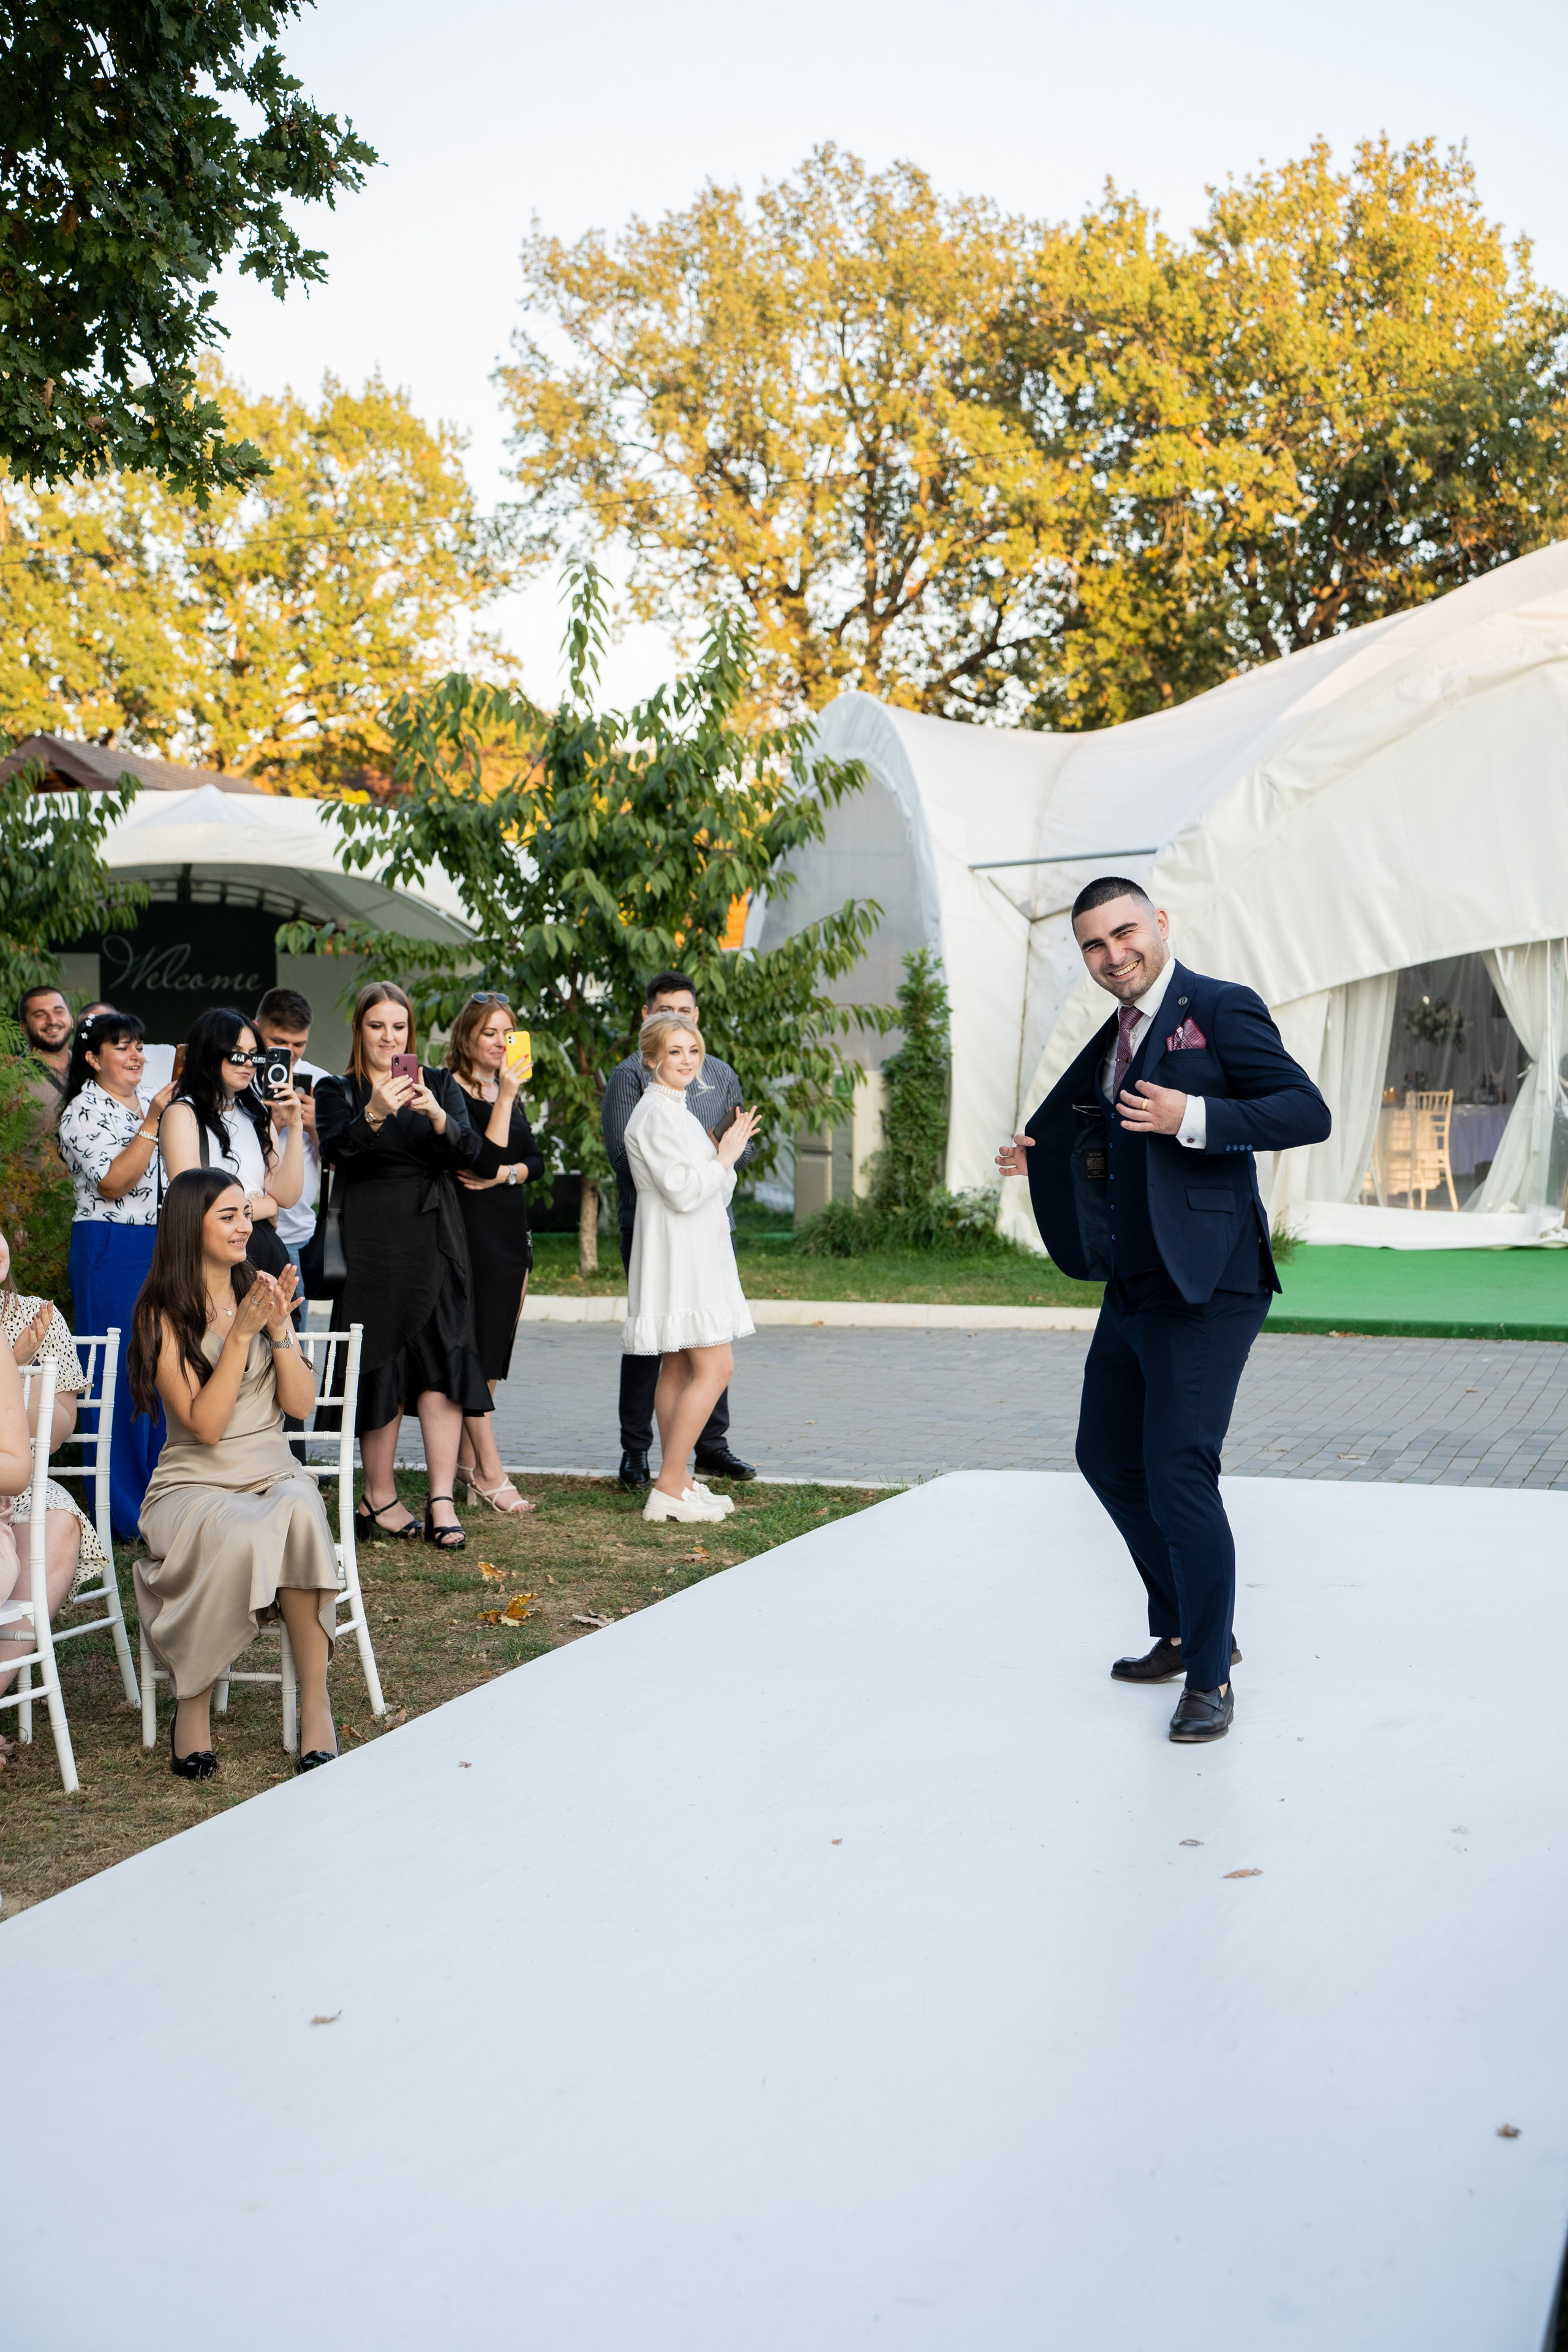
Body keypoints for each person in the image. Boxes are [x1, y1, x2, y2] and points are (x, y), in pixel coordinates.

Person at [997, 878, 1331, 1746]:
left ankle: (1211, 1676)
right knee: (1105, 1454)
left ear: (1161, 926)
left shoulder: (1219, 1008)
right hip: (1134, 1281)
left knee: (1179, 1470)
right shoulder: (1116, 1036)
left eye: (1126, 933)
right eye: (1094, 946)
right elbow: (1085, 1123)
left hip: (1211, 1282)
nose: (1114, 955)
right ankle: (1184, 1625)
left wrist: (1195, 1115)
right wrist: (1041, 1161)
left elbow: (1306, 1111)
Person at [129, 1169, 339, 1778]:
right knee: (242, 1528)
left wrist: (276, 1331)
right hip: (193, 1486)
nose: (244, 1225)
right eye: (227, 1215)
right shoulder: (162, 1314)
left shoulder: (261, 1289)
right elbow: (206, 1426)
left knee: (299, 1509)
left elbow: (300, 1405)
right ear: (189, 1227)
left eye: (244, 1213)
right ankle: (191, 1701)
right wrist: (241, 1334)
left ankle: (316, 1705)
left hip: (272, 1472)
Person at [315, 982, 489, 1552]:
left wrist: (440, 1117)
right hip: (372, 1243)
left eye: (398, 1027)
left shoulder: (438, 1083)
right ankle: (380, 1497)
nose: (389, 1038)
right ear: (359, 1031)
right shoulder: (336, 1090)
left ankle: (441, 1498)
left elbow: (470, 1155)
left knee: (442, 1360)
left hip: (436, 1238)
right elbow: (339, 1154)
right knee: (380, 1362)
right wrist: (375, 1112)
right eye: (376, 1026)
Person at [601, 970, 756, 1492]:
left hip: (697, 1243)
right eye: (675, 1052)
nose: (687, 1060)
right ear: (652, 1058)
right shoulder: (654, 1112)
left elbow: (713, 1186)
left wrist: (725, 1158)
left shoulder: (678, 1108)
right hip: (679, 1248)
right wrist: (726, 1156)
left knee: (674, 1365)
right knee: (716, 1367)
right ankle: (670, 1479)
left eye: (693, 1049)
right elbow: (685, 1190)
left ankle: (679, 1481)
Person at [57, 1010, 179, 1536]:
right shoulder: (83, 1112)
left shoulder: (156, 1100)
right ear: (92, 1058)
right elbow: (113, 1183)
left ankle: (164, 1499)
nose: (135, 1055)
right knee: (117, 1373)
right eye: (121, 1047)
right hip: (109, 1246)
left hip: (159, 1243)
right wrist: (153, 1121)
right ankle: (120, 1512)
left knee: (160, 1369)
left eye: (138, 1046)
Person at [0, 1227, 116, 1696]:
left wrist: (15, 1369)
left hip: (26, 1477)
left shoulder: (36, 1315)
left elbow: (55, 1434)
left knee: (58, 1523)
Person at [444, 993, 544, 1515]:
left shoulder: (509, 1088)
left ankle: (466, 1467)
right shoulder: (453, 1090)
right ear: (466, 1037)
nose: (501, 1043)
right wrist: (503, 1099)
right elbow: (483, 1158)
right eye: (490, 1033)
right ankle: (489, 1472)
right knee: (474, 1351)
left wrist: (507, 1176)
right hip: (470, 1234)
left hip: (510, 1233)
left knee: (492, 1359)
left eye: (508, 1034)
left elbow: (530, 1161)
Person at [159, 1006, 305, 1278]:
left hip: (266, 1250)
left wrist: (295, 1126)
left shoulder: (256, 1113)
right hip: (216, 1258)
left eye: (255, 1056)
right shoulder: (183, 1113)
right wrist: (264, 1206)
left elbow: (286, 1196)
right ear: (210, 1051)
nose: (249, 1064)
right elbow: (192, 1203)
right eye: (238, 1054)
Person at [252, 987, 329, 1290]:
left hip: (298, 1234)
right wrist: (276, 1123)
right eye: (279, 1042)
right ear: (257, 1030)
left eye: (299, 1044)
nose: (291, 1053)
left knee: (293, 1334)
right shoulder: (242, 1077)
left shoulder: (321, 1082)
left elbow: (335, 1163)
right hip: (246, 1229)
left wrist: (312, 1127)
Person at [18, 984, 74, 1129]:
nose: (52, 1021)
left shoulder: (93, 1067)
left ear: (71, 1020)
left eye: (59, 1012)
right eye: (40, 1015)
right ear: (24, 1027)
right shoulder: (11, 1077)